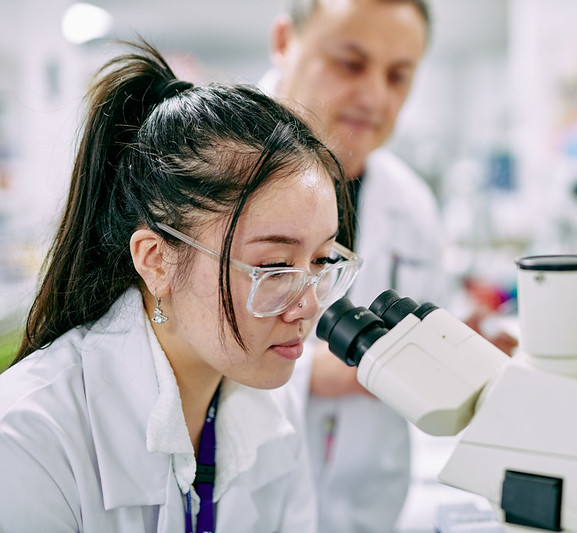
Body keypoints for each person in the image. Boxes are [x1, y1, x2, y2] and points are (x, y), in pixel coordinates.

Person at [0, 41, 362, 533]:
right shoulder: (29, 437)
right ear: (156, 261)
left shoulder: (273, 411)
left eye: (321, 260)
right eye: (275, 266)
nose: (308, 304)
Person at [262, 1, 517, 531]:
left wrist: (465, 342)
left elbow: (432, 320)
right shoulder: (213, 182)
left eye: (398, 76)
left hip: (369, 508)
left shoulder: (411, 203)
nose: (375, 97)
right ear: (285, 41)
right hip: (250, 499)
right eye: (350, 64)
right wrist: (330, 372)